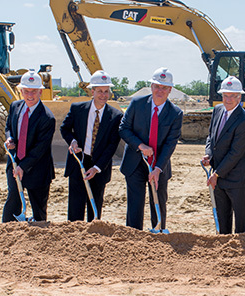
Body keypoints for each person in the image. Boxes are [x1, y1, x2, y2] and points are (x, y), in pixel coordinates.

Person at [119, 67, 183, 230]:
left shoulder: (175, 113)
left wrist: (158, 169)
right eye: (157, 86)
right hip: (135, 163)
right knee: (135, 203)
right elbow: (124, 129)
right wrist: (140, 146)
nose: (159, 90)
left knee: (159, 202)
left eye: (164, 87)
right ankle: (133, 237)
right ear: (151, 86)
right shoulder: (136, 104)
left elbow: (170, 143)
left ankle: (159, 233)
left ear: (170, 90)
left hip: (159, 164)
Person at [60, 70, 123, 221]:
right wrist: (72, 141)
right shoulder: (78, 109)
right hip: (78, 163)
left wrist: (97, 168)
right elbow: (65, 128)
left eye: (106, 91)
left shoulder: (115, 116)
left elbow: (112, 145)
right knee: (75, 209)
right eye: (100, 91)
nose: (103, 95)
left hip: (99, 166)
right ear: (92, 91)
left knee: (94, 210)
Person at [201, 76, 245, 234]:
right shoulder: (217, 110)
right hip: (219, 176)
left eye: (232, 96)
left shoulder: (244, 121)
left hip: (237, 178)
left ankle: (241, 254)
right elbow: (211, 137)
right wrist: (208, 155)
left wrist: (216, 174)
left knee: (240, 225)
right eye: (225, 95)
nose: (228, 99)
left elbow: (235, 153)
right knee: (222, 220)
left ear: (239, 97)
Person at [2, 70, 56, 222]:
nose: (30, 95)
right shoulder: (15, 107)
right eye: (26, 91)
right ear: (21, 91)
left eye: (34, 91)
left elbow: (40, 149)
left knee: (38, 211)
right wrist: (10, 138)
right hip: (14, 164)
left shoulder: (47, 117)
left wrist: (23, 167)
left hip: (37, 169)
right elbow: (8, 127)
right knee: (12, 202)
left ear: (40, 92)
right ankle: (6, 235)